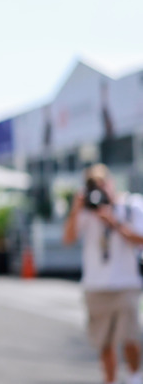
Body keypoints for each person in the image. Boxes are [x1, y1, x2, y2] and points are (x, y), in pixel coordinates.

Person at [63, 163, 143, 384]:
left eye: (102, 183)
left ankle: (135, 377)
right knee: (104, 342)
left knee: (129, 337)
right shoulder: (86, 212)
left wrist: (115, 222)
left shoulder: (130, 206)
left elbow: (140, 239)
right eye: (92, 185)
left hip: (126, 284)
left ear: (111, 183)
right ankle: (110, 380)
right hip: (96, 286)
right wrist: (76, 208)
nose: (98, 190)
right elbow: (68, 240)